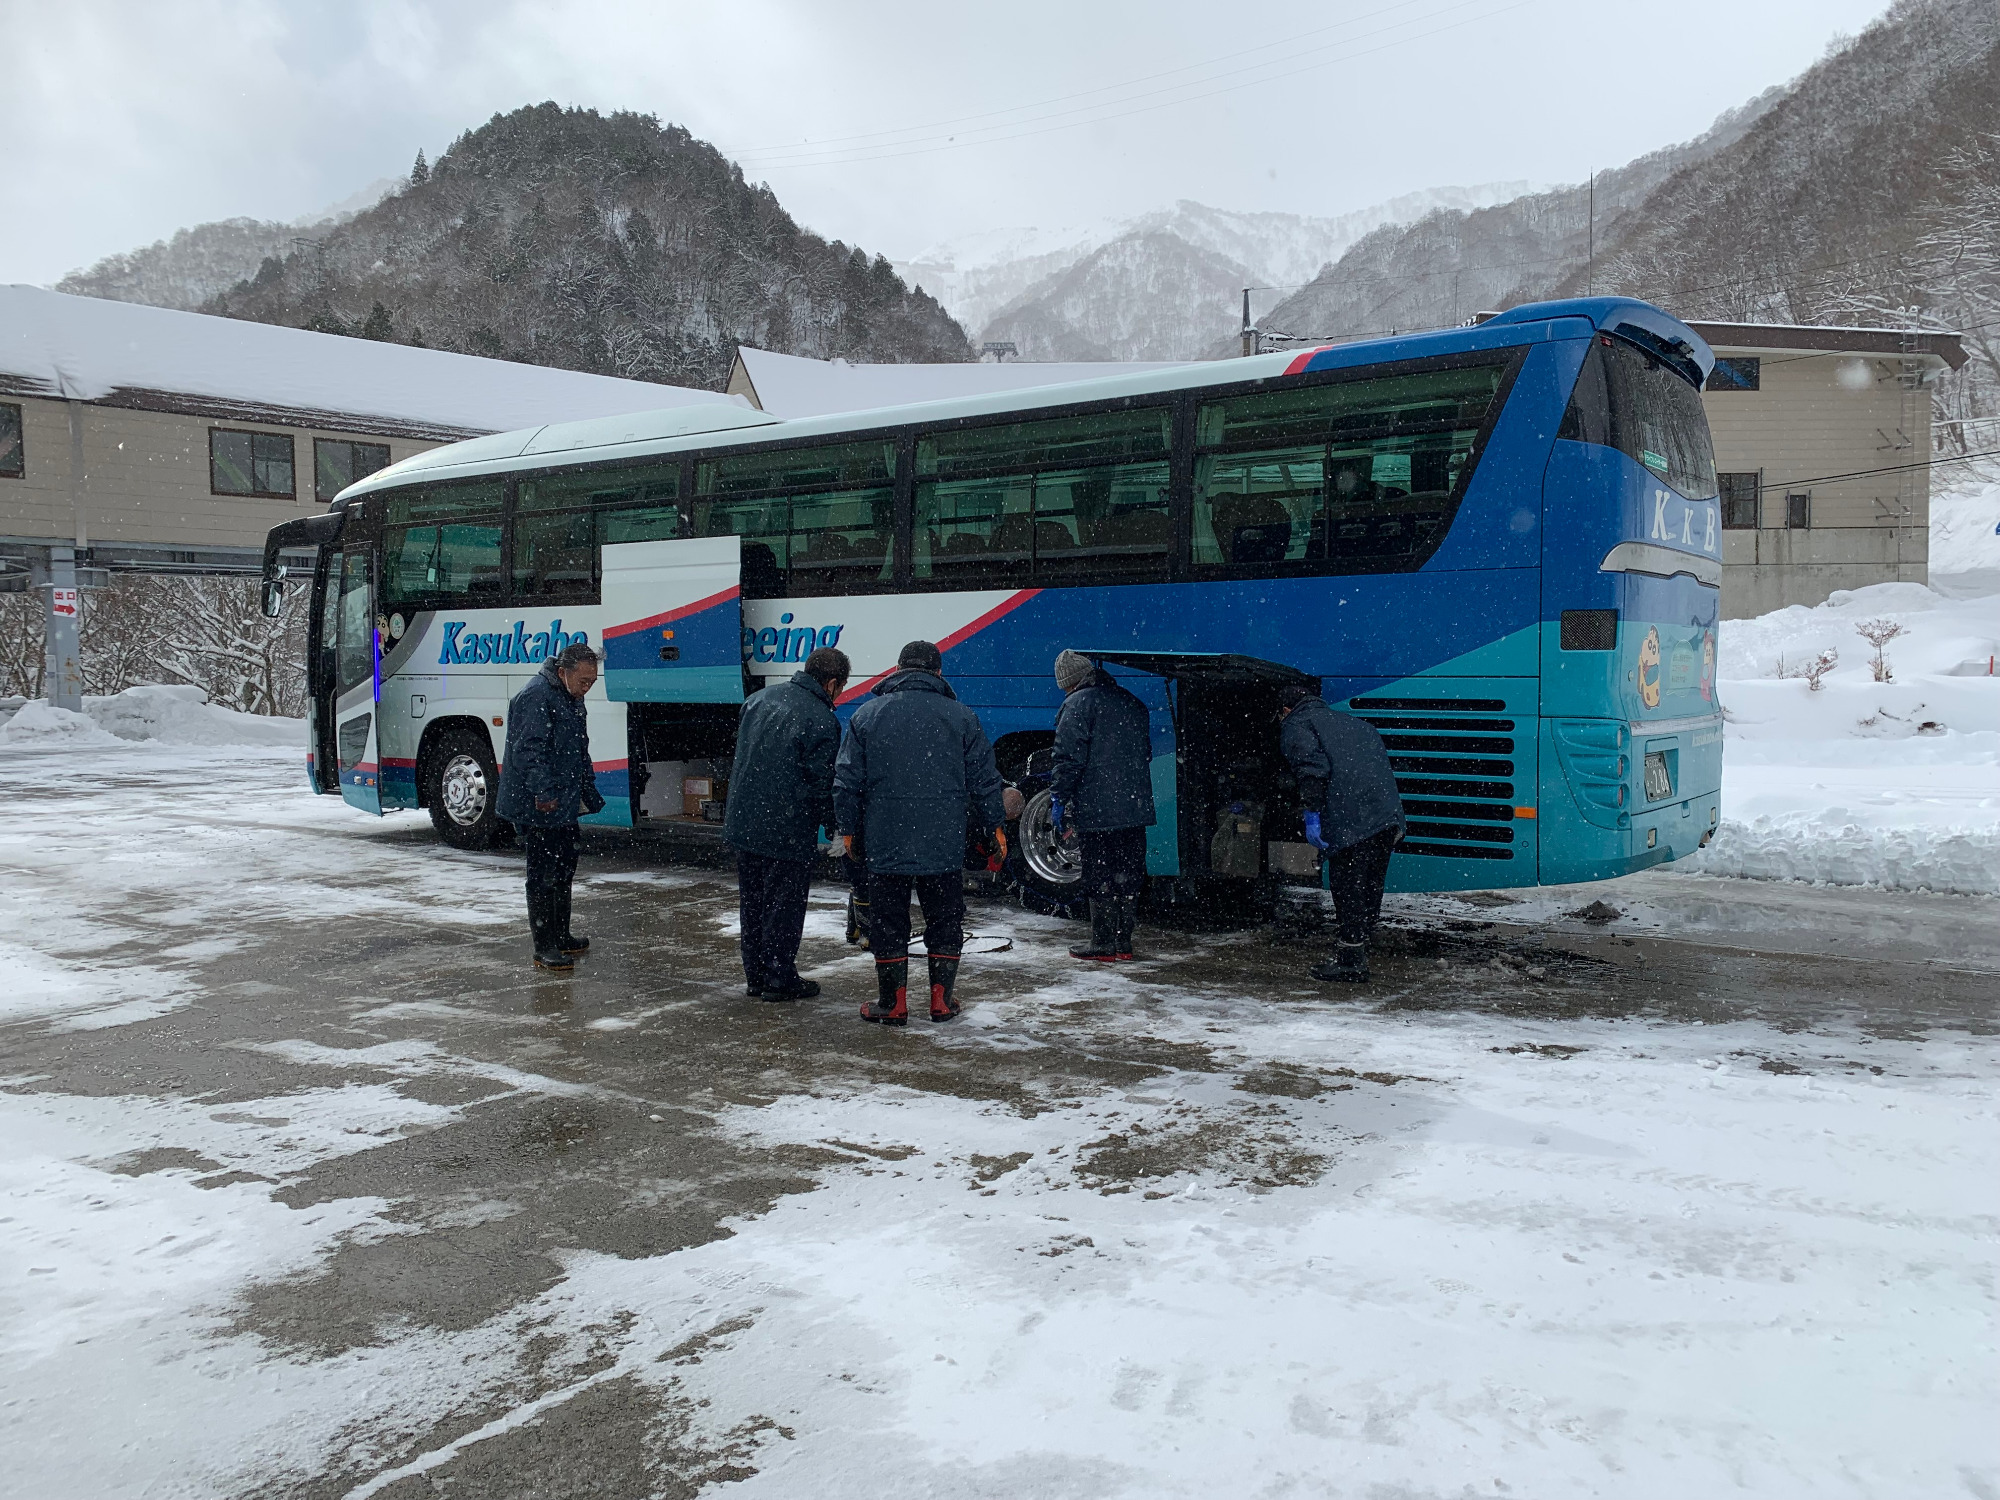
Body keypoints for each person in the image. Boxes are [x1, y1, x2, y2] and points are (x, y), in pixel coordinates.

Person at [834, 640, 1008, 1026]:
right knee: (945, 919)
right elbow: (984, 782)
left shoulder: (866, 715)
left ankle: (892, 1003)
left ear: (897, 670)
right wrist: (996, 828)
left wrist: (848, 830)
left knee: (888, 921)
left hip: (885, 841)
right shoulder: (963, 717)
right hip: (943, 842)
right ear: (938, 673)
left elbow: (846, 783)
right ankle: (941, 1001)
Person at [723, 646, 850, 1002]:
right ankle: (779, 978)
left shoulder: (758, 700)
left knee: (752, 903)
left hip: (745, 823)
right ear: (831, 683)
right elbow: (821, 782)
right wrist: (835, 824)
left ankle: (756, 977)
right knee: (784, 905)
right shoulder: (822, 719)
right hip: (786, 828)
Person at [1277, 679, 1405, 983]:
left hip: (1352, 821)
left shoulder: (1297, 724)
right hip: (1386, 817)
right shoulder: (1356, 724)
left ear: (1285, 710)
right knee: (1370, 885)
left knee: (1347, 888)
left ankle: (1351, 961)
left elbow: (1312, 769)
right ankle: (1360, 944)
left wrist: (1311, 812)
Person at [496, 641, 605, 972]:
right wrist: (544, 792)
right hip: (540, 804)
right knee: (543, 873)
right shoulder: (537, 696)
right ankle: (544, 946)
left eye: (592, 682)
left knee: (564, 867)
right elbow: (528, 752)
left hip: (563, 799)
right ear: (563, 672)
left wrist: (588, 787)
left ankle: (561, 935)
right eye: (584, 681)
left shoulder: (570, 697)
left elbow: (578, 747)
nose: (587, 688)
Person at [1049, 649, 1154, 961]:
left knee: (1100, 873)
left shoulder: (1076, 704)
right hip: (1135, 808)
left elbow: (1068, 759)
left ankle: (1103, 944)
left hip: (1097, 809)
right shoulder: (1132, 701)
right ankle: (1124, 945)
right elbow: (1145, 752)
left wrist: (1059, 796)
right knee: (1129, 873)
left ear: (1071, 682)